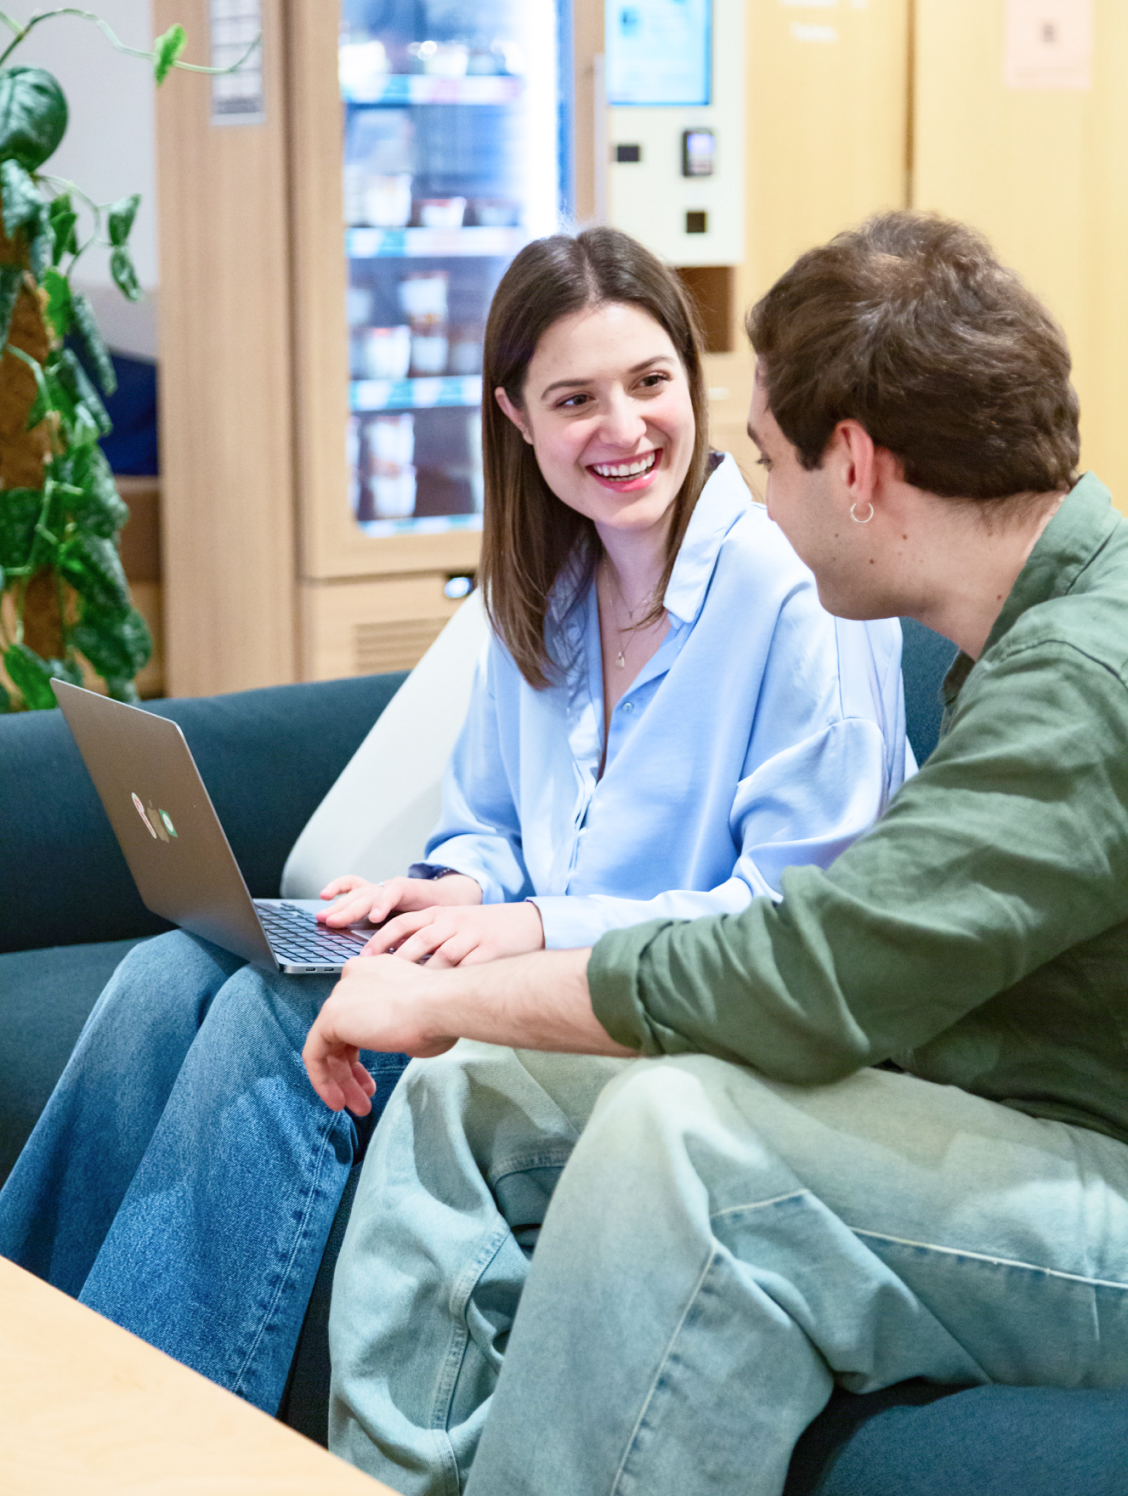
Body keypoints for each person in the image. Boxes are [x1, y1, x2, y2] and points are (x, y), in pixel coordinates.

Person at [0, 227, 909, 1415]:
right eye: (574, 399)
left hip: (661, 1010)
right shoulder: (544, 590)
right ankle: (35, 1389)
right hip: (524, 964)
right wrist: (457, 892)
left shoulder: (797, 588)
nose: (625, 430)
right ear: (516, 419)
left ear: (696, 381)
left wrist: (531, 922)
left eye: (650, 383)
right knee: (170, 974)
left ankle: (146, 1439)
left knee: (274, 1012)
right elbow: (486, 826)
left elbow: (792, 915)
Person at [310, 210, 1128, 1496]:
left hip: (1104, 1184)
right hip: (1018, 1120)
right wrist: (463, 1013)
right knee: (474, 1091)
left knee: (681, 1136)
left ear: (851, 464)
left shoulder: (1077, 680)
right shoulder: (1023, 637)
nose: (746, 500)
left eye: (764, 460)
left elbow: (810, 973)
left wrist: (448, 989)